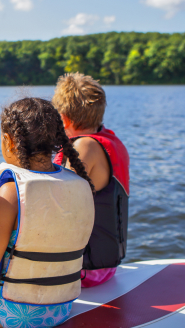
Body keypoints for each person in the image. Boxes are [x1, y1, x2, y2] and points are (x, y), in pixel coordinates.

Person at [0, 98, 95, 328]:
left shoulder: (11, 192)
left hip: (7, 315)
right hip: (60, 310)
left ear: (8, 141)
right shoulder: (79, 184)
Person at [51, 72, 130, 288]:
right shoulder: (111, 142)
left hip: (83, 270)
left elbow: (58, 202)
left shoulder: (83, 147)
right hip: (105, 267)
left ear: (63, 118)